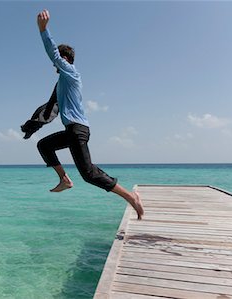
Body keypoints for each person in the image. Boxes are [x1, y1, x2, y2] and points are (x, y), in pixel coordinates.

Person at [36, 9, 144, 219]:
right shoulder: (63, 82)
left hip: (77, 130)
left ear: (66, 59)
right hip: (73, 129)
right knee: (44, 146)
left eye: (58, 61)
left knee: (89, 174)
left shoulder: (71, 73)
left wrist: (43, 30)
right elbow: (52, 105)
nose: (54, 65)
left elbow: (54, 55)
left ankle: (131, 198)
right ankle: (64, 180)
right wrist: (35, 123)